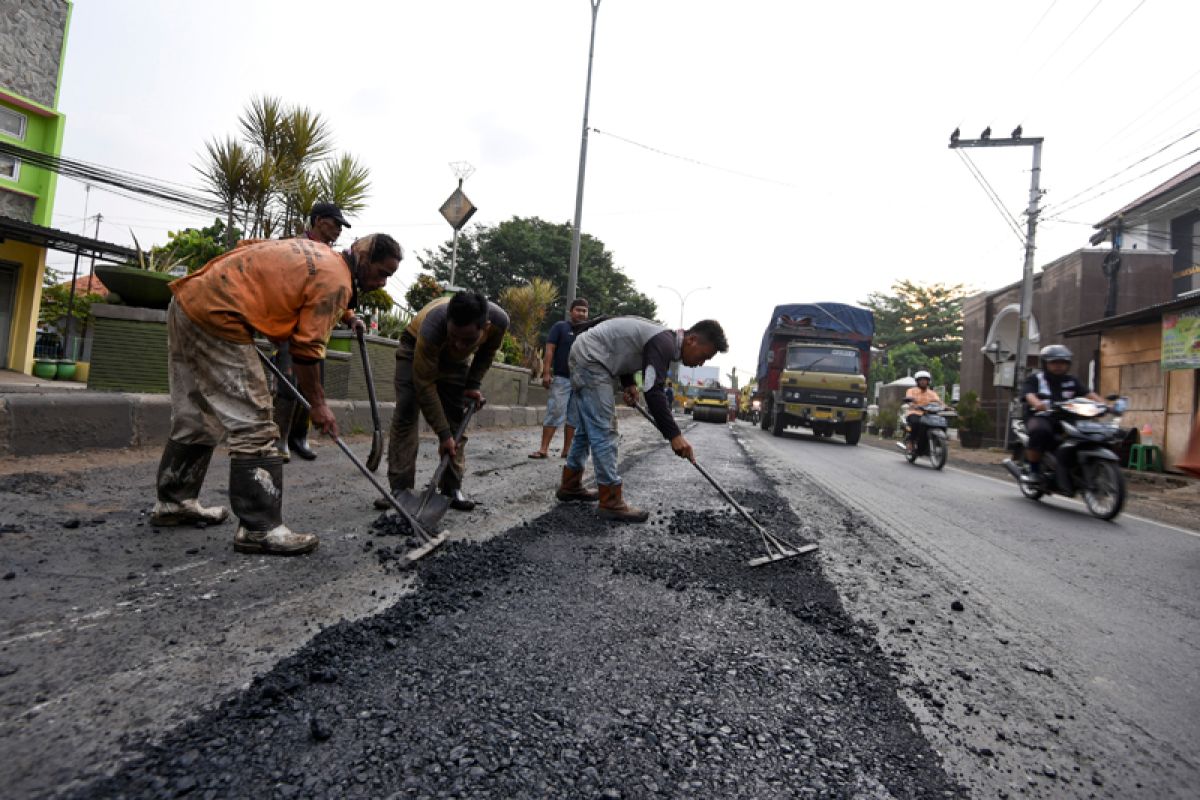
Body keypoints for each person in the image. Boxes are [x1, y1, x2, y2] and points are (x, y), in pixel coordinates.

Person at [151, 234, 401, 556]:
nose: (381, 283)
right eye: (382, 273)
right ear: (364, 259)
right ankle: (260, 528)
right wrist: (319, 406)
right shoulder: (337, 282)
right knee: (254, 420)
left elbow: (248, 247)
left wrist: (346, 314)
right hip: (218, 316)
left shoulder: (322, 256)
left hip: (191, 300)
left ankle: (175, 501)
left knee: (197, 415)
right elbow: (307, 350)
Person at [557, 317, 728, 522]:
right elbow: (653, 391)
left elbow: (624, 347)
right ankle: (611, 500)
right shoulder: (664, 343)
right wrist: (674, 435)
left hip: (589, 355)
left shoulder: (662, 339)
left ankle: (571, 484)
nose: (701, 364)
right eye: (705, 356)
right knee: (605, 429)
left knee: (587, 428)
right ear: (691, 340)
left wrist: (628, 382)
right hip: (591, 359)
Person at [378, 291, 510, 512]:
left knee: (456, 417)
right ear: (448, 323)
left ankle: (451, 488)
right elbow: (425, 385)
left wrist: (473, 385)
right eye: (453, 336)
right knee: (407, 412)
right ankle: (400, 490)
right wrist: (443, 435)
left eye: (467, 340)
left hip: (455, 364)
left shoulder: (498, 322)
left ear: (484, 327)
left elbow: (486, 353)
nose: (459, 344)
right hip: (415, 349)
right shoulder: (433, 326)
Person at [274, 203, 364, 462]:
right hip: (290, 328)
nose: (337, 230)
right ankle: (278, 439)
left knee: (313, 385)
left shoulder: (332, 257)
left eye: (340, 226)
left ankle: (299, 437)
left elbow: (334, 298)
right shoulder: (296, 247)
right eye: (334, 224)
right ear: (317, 221)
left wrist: (350, 317)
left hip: (316, 332)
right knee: (288, 384)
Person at [1020, 344, 1102, 484]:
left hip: (1066, 417)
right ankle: (1033, 470)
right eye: (1054, 362)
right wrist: (1037, 404)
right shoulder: (1035, 379)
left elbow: (1088, 394)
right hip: (1041, 416)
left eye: (1063, 363)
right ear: (1045, 363)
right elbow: (1029, 394)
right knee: (1040, 431)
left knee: (1090, 433)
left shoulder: (1072, 380)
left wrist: (1104, 405)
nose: (1059, 366)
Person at [530, 298, 589, 459]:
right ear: (571, 312)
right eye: (578, 310)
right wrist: (547, 373)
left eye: (584, 311)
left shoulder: (590, 331)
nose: (581, 313)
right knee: (554, 412)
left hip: (581, 382)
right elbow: (550, 351)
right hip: (561, 378)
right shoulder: (560, 327)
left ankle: (567, 451)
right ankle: (543, 449)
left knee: (574, 417)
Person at [903, 370, 941, 454]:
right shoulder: (911, 390)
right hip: (914, 413)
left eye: (925, 380)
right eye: (921, 380)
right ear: (917, 381)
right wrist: (911, 403)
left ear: (928, 381)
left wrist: (946, 407)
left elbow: (939, 402)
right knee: (916, 423)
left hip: (928, 414)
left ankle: (933, 442)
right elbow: (908, 399)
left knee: (939, 423)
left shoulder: (932, 393)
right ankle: (911, 442)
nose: (923, 382)